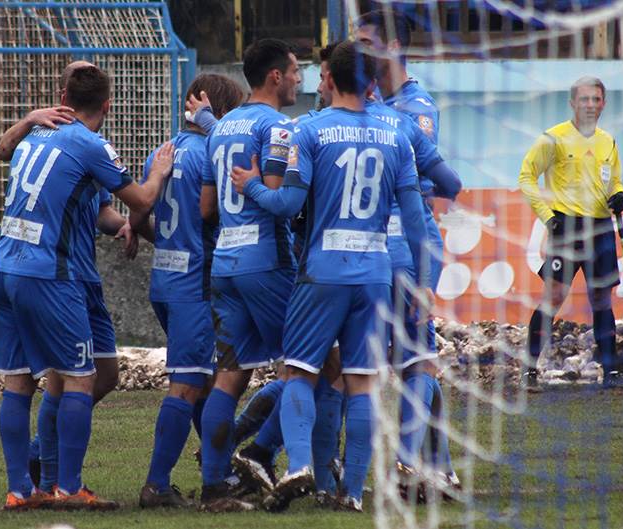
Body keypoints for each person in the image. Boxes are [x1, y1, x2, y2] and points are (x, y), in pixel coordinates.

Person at [229, 40, 429, 513]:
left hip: (322, 273)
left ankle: (298, 463)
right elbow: (417, 222)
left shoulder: (310, 130)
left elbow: (288, 206)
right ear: (374, 83)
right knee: (361, 381)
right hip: (377, 274)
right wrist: (421, 283)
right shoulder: (397, 136)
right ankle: (352, 493)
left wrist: (250, 185)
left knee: (298, 371)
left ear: (332, 81)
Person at [0, 62, 174, 511]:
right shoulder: (90, 144)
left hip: (7, 266)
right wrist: (160, 171)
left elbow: (89, 206)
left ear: (63, 94)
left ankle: (22, 487)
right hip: (51, 273)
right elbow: (144, 199)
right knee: (76, 378)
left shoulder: (39, 133)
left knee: (31, 381)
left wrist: (120, 227)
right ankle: (65, 485)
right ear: (107, 105)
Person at [127, 73, 246, 508]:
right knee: (187, 384)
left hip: (165, 278)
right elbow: (206, 210)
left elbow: (144, 208)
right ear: (221, 111)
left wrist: (136, 229)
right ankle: (157, 485)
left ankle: (223, 472)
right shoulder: (211, 153)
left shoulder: (163, 152)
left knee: (204, 379)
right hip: (195, 282)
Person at [357, 9, 461, 498]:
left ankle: (405, 462)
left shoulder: (415, 108)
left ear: (394, 47)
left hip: (405, 244)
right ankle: (437, 464)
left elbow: (437, 184)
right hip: (372, 246)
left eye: (366, 42)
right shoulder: (370, 101)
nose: (358, 51)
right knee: (413, 360)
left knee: (409, 360)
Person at [197, 37, 301, 512]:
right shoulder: (277, 128)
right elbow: (277, 197)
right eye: (297, 71)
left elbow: (210, 205)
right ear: (275, 76)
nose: (301, 80)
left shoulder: (221, 129)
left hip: (225, 263)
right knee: (308, 368)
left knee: (230, 375)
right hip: (267, 262)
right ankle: (263, 454)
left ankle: (215, 484)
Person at [518, 76, 623, 389]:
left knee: (601, 300)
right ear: (572, 103)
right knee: (553, 297)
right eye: (584, 99)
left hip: (600, 228)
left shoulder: (608, 141)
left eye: (596, 99)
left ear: (603, 103)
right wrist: (547, 217)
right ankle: (528, 371)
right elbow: (526, 176)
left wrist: (620, 196)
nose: (590, 105)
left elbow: (615, 182)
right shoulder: (553, 138)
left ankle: (612, 373)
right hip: (565, 226)